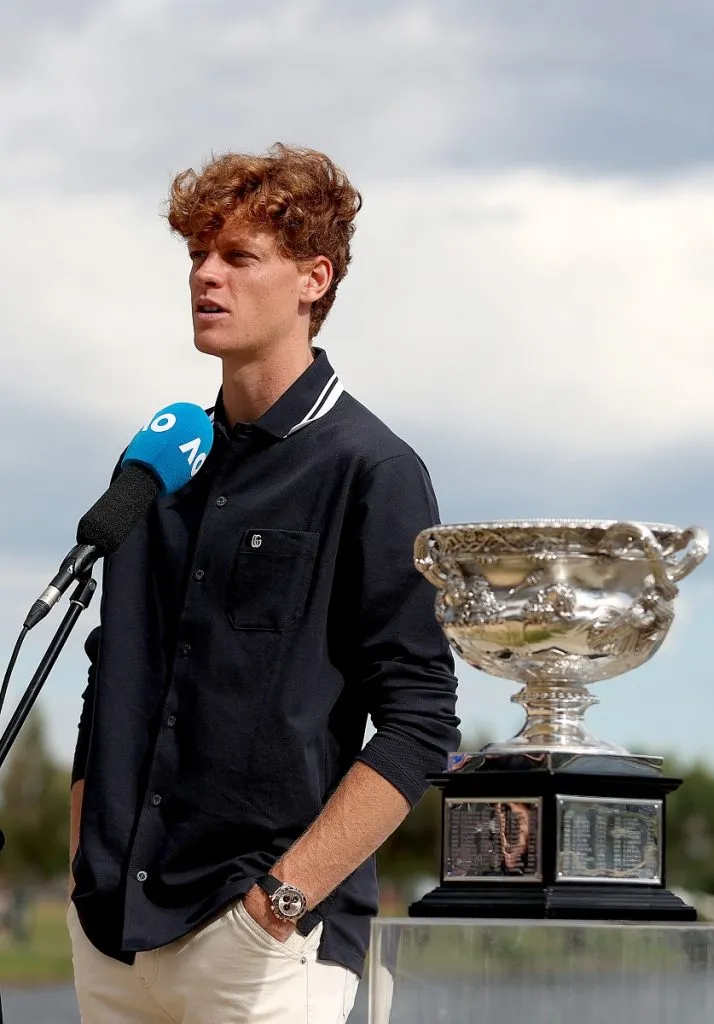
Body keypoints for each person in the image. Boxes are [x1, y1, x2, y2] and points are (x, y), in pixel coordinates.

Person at [67, 143, 460, 1024]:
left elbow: (419, 721)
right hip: (110, 937)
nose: (206, 276)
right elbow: (110, 681)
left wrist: (276, 908)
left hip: (265, 951)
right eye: (198, 256)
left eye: (238, 257)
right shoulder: (156, 467)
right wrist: (80, 867)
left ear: (313, 279)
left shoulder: (373, 469)